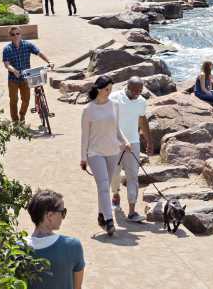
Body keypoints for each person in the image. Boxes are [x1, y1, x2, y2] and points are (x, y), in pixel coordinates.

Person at [79, 76, 131, 236]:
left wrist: (125, 141)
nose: (109, 92)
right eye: (107, 89)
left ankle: (102, 214)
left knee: (105, 187)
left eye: (111, 89)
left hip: (113, 151)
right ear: (99, 89)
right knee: (102, 185)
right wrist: (83, 158)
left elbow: (116, 129)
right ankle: (109, 221)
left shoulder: (114, 105)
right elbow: (84, 136)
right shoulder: (88, 110)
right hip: (95, 153)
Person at [109, 77, 153, 223]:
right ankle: (115, 194)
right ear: (127, 86)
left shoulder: (141, 101)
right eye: (134, 90)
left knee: (133, 176)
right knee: (114, 174)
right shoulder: (114, 98)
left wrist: (149, 140)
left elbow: (142, 120)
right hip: (115, 143)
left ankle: (132, 211)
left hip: (133, 143)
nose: (137, 93)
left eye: (140, 90)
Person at [25, 189, 84, 289]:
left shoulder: (16, 248)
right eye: (63, 212)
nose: (63, 216)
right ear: (50, 216)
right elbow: (77, 287)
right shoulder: (73, 246)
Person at [2, 26, 52, 124]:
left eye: (17, 34)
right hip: (13, 79)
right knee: (14, 100)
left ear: (21, 34)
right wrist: (14, 71)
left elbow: (39, 53)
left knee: (26, 99)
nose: (15, 36)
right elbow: (6, 64)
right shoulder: (7, 49)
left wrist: (49, 61)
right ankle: (15, 121)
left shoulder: (27, 45)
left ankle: (22, 115)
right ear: (10, 36)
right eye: (13, 34)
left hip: (26, 76)